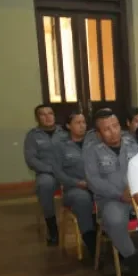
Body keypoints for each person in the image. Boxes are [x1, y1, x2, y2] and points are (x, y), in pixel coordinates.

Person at [83, 109, 138, 276]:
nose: (113, 132)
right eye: (106, 129)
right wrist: (120, 194)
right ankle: (136, 264)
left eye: (115, 126)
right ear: (98, 134)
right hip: (112, 199)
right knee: (114, 221)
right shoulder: (92, 152)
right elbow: (94, 181)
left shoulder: (132, 144)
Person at [51, 111, 97, 259]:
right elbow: (58, 173)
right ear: (68, 126)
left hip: (96, 185)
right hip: (74, 188)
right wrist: (76, 183)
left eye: (83, 122)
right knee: (82, 199)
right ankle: (90, 239)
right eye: (77, 122)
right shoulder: (60, 146)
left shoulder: (94, 142)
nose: (82, 126)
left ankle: (109, 233)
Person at [24, 104, 68, 245]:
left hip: (67, 171)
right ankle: (52, 228)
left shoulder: (64, 132)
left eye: (50, 113)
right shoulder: (32, 136)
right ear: (37, 118)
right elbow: (31, 159)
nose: (47, 117)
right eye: (43, 114)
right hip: (47, 173)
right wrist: (50, 169)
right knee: (44, 185)